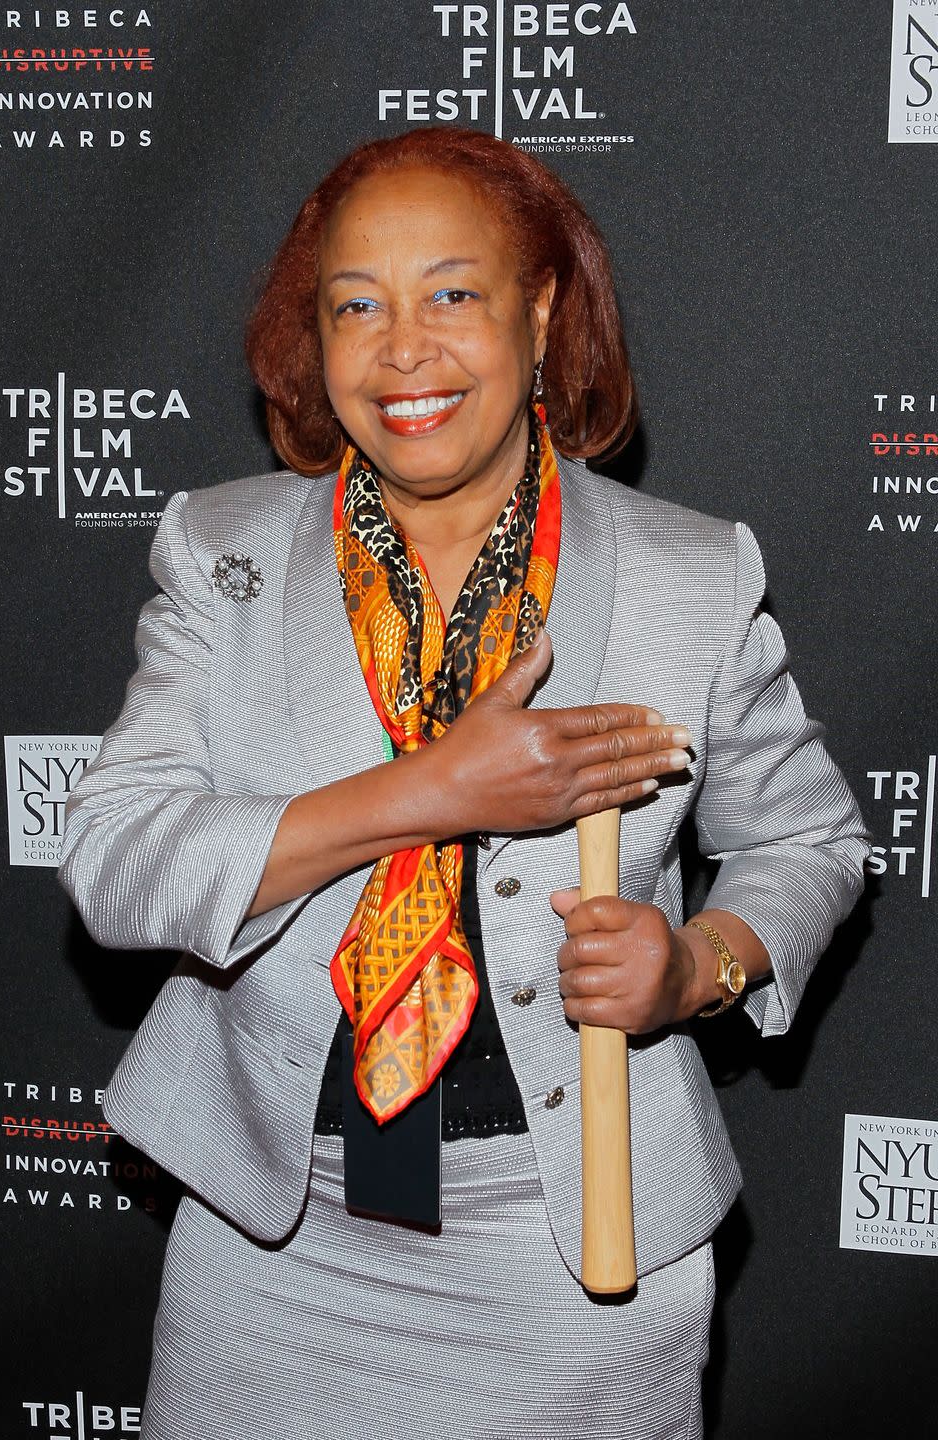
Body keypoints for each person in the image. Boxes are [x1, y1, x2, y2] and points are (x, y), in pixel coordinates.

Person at [58, 127, 868, 1440]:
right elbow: (117, 861)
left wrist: (698, 961)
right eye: (355, 306)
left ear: (542, 313)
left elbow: (811, 844)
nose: (402, 346)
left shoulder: (689, 576)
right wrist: (431, 791)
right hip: (269, 1245)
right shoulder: (224, 553)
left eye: (451, 293)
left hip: (573, 1257)